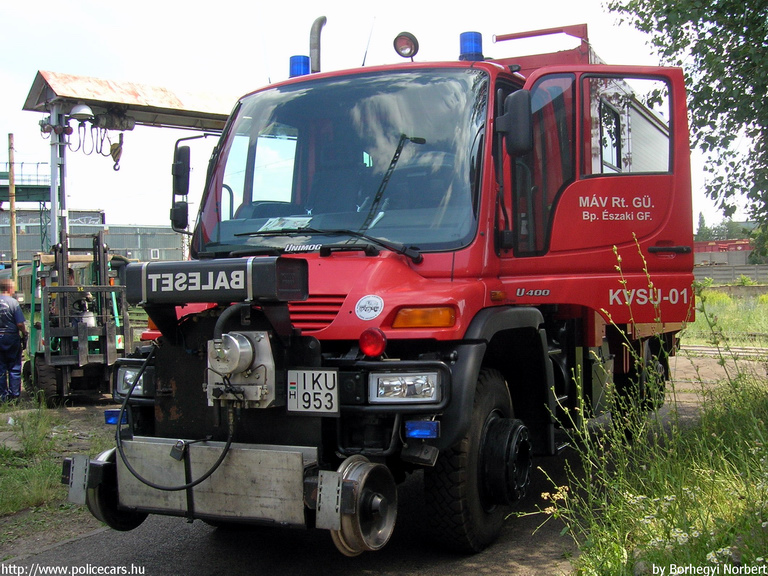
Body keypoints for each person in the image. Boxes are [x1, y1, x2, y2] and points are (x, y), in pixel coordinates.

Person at [0, 278, 27, 402]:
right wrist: (24, 333)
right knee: (14, 367)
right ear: (9, 289)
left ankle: (2, 397)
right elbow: (20, 324)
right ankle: (14, 396)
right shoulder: (13, 303)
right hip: (11, 337)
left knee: (0, 368)